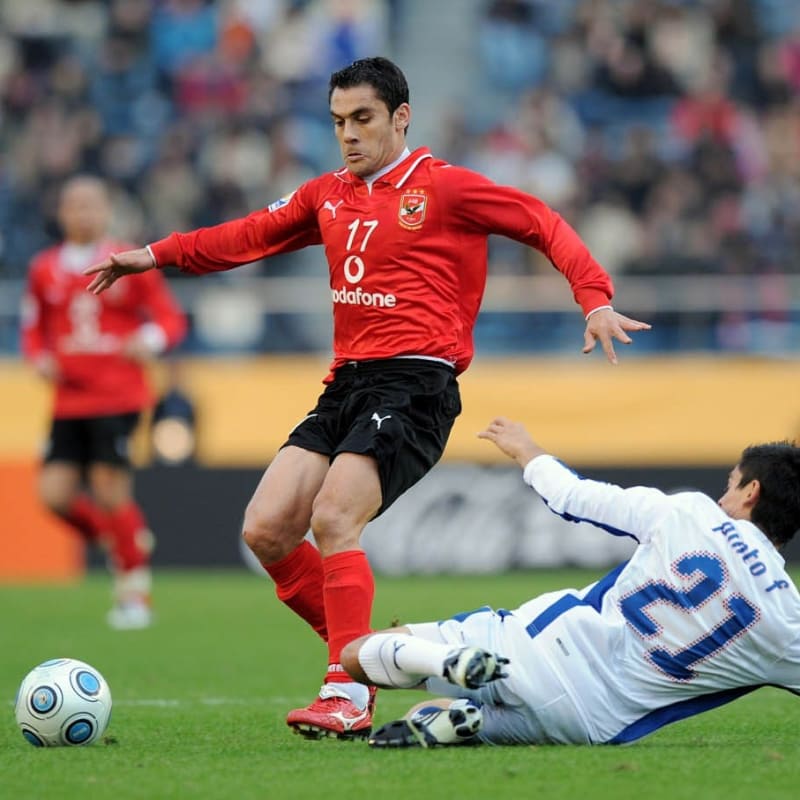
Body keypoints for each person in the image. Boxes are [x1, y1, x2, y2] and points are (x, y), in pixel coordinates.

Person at [83, 56, 650, 738]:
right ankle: (376, 651)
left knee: (334, 516)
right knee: (265, 528)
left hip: (416, 383)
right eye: (337, 122)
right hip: (346, 384)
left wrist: (594, 299)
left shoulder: (444, 189)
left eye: (362, 119)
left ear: (399, 118)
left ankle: (346, 691)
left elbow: (540, 222)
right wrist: (158, 253)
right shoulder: (328, 194)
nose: (348, 135)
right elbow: (249, 236)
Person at [340, 416, 800, 748]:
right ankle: (463, 716)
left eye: (731, 483)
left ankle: (449, 660)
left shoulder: (690, 512)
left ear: (751, 492)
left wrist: (525, 450)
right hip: (587, 721)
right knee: (435, 720)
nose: (724, 495)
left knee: (358, 655)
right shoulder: (786, 621)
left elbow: (572, 496)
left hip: (534, 647)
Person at [20, 175, 187, 630]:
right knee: (53, 496)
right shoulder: (44, 268)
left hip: (118, 394)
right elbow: (33, 327)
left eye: (91, 205)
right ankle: (123, 541)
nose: (83, 214)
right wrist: (38, 359)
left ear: (106, 211)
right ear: (61, 213)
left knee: (110, 490)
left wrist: (148, 339)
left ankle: (135, 594)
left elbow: (170, 319)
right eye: (74, 206)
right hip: (68, 399)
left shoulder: (126, 261)